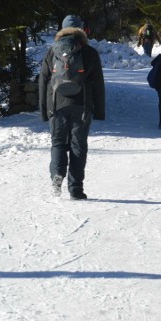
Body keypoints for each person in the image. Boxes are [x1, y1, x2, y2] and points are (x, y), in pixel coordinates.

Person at [39, 15, 106, 200]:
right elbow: (98, 83)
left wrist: (44, 111)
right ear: (81, 29)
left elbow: (43, 82)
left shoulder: (52, 51)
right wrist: (99, 110)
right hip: (81, 106)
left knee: (58, 143)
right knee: (78, 146)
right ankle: (75, 190)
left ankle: (57, 175)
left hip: (56, 106)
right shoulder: (89, 52)